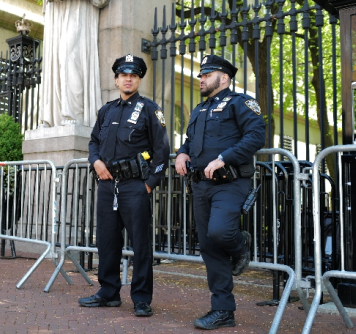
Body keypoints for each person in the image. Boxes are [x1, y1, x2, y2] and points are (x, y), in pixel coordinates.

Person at [174, 55, 265, 330]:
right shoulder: (199, 110)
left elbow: (256, 135)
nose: (200, 79)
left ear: (223, 77)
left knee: (220, 232)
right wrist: (181, 153)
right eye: (200, 75)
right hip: (200, 184)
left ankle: (241, 246)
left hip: (231, 182)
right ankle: (223, 309)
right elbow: (190, 140)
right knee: (209, 247)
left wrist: (225, 157)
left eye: (206, 74)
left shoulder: (241, 102)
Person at [81, 54, 170, 317]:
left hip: (135, 186)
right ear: (116, 79)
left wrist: (151, 183)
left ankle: (141, 298)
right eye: (123, 75)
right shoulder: (106, 110)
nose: (128, 79)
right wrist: (95, 161)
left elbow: (161, 149)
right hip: (107, 185)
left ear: (139, 79)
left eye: (133, 75)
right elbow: (94, 141)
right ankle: (108, 293)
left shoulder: (150, 109)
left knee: (141, 245)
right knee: (107, 242)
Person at [38, 0, 110, 127]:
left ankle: (75, 115)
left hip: (79, 4)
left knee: (70, 55)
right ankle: (52, 117)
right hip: (56, 6)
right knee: (54, 60)